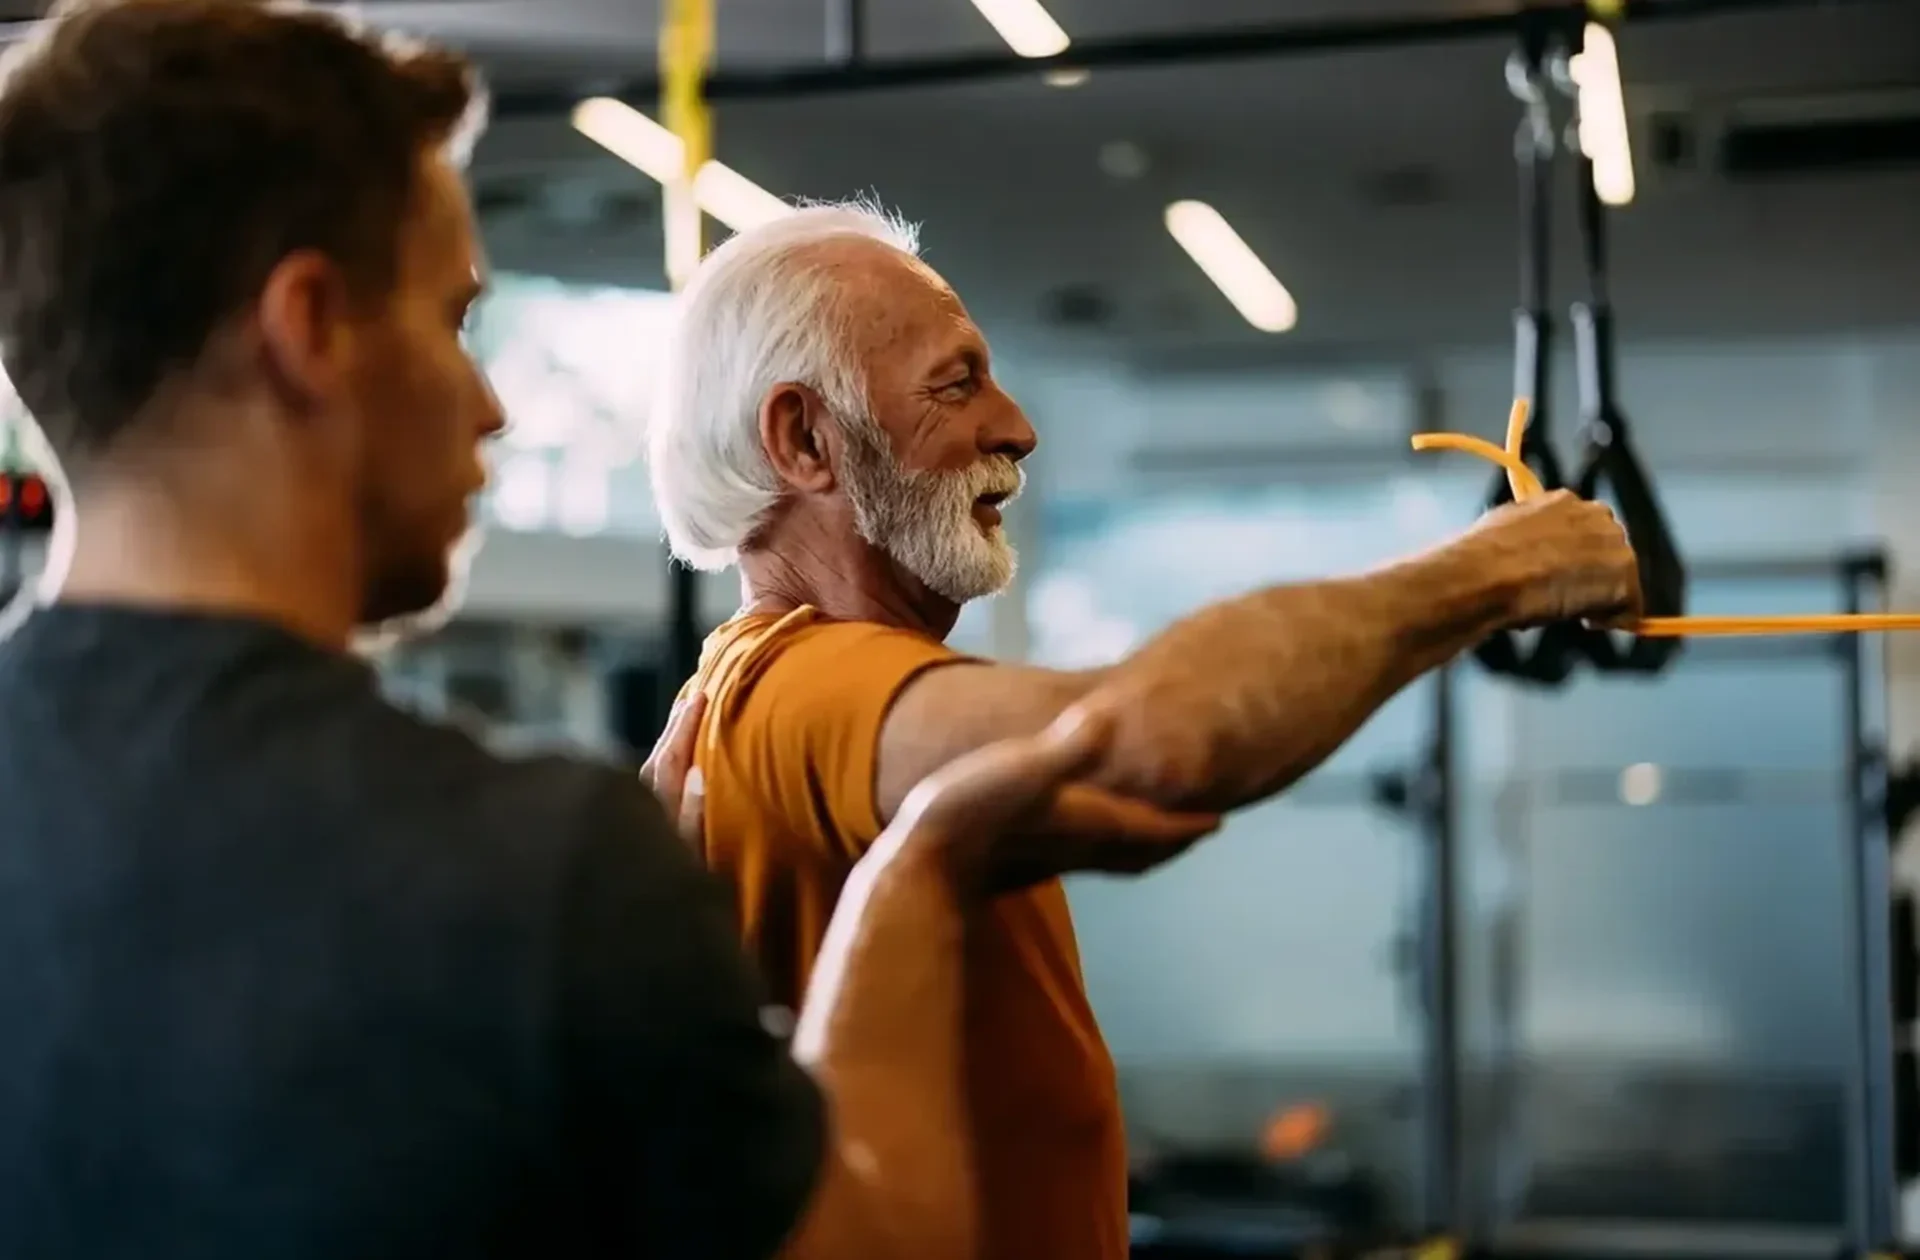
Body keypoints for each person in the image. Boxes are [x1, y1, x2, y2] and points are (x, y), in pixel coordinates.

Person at [0, 3, 1218, 1259]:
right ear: (309, 328)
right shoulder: (540, 872)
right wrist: (911, 872)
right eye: (452, 321)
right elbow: (878, 1236)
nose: (491, 407)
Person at [647, 202, 1644, 1260]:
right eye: (956, 383)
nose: (1016, 427)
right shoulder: (807, 687)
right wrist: (1493, 572)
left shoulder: (759, 690)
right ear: (806, 439)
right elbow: (1154, 744)